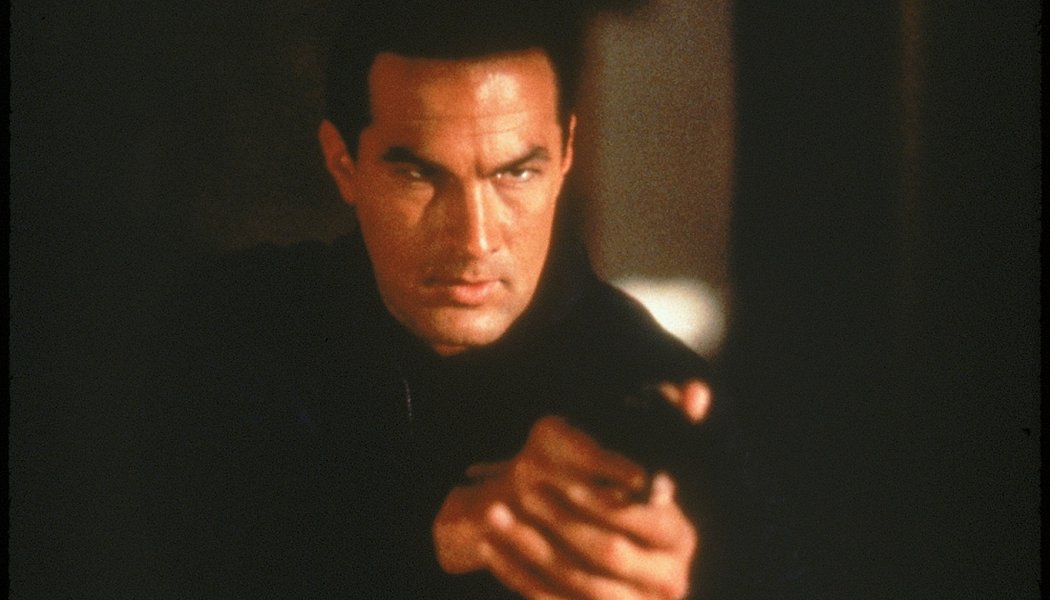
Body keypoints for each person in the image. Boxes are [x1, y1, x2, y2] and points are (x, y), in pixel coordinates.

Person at [147, 1, 783, 598]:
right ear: (343, 164)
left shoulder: (651, 383)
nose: (475, 240)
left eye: (515, 172)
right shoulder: (228, 326)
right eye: (419, 174)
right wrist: (441, 531)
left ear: (565, 154)